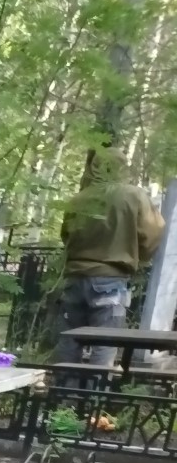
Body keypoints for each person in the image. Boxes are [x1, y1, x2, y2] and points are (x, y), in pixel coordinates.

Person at [56, 148, 166, 375]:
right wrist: (140, 257)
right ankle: (93, 394)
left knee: (69, 341)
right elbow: (154, 231)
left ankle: (63, 393)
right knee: (105, 343)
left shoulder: (79, 198)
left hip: (74, 278)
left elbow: (66, 235)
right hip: (110, 280)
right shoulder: (134, 196)